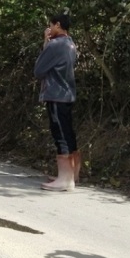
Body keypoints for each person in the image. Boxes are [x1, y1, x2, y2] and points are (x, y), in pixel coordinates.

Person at [34, 13, 80, 191]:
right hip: (68, 93)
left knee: (59, 134)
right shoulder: (70, 42)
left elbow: (39, 70)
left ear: (58, 25)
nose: (49, 29)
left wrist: (45, 43)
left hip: (56, 94)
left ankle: (65, 180)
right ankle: (73, 174)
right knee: (68, 132)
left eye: (51, 25)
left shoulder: (55, 44)